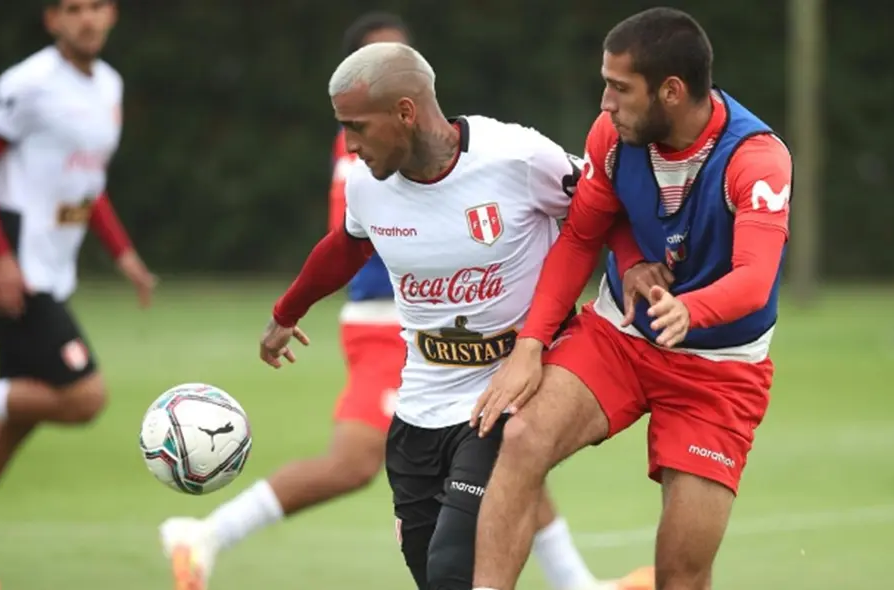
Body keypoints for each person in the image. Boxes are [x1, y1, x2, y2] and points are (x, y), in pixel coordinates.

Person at [255, 42, 654, 590]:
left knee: (454, 572)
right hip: (418, 413)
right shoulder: (367, 186)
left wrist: (632, 264)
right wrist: (286, 313)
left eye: (357, 127)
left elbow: (601, 208)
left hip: (503, 405)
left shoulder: (517, 157)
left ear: (404, 112)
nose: (349, 144)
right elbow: (345, 247)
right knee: (437, 576)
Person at [468, 7, 793, 590]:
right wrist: (530, 347)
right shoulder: (612, 139)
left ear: (671, 91)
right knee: (521, 440)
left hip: (718, 372)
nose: (605, 104)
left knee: (681, 568)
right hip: (620, 338)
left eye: (619, 88)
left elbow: (755, 278)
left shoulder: (756, 158)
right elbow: (578, 239)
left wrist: (692, 309)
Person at [0, 1, 155, 588]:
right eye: (73, 9)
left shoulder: (110, 84)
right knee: (84, 398)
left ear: (113, 15)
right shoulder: (26, 84)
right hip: (16, 270)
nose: (87, 19)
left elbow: (88, 181)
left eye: (97, 7)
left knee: (18, 413)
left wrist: (122, 252)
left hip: (52, 271)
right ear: (52, 19)